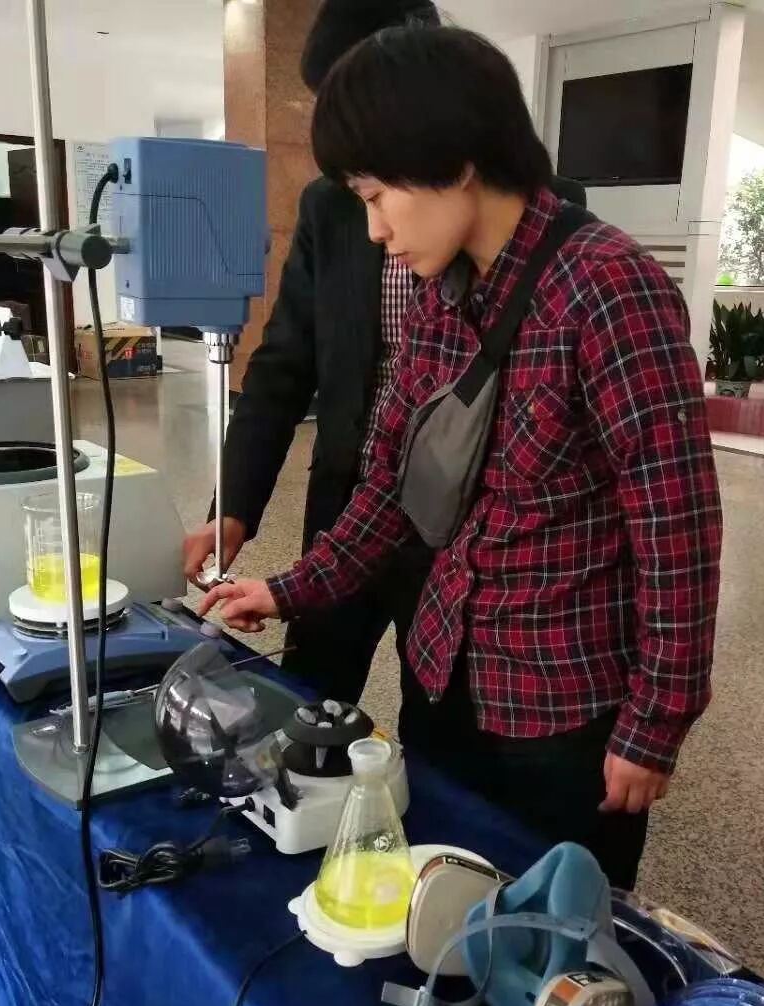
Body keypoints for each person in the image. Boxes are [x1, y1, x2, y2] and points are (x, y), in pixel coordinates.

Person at [199, 26, 723, 890]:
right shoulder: (441, 298)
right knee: (443, 905)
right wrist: (288, 588)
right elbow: (390, 486)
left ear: (454, 160)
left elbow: (678, 529)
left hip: (562, 708)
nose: (375, 231)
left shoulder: (610, 288)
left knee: (552, 929)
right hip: (444, 681)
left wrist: (654, 726)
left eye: (378, 197)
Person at [183, 0, 586, 724]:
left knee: (444, 715)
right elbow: (282, 365)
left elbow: (665, 508)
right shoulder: (332, 209)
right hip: (355, 502)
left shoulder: (551, 238)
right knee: (310, 700)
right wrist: (235, 509)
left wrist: (652, 715)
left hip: (466, 522)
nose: (376, 222)